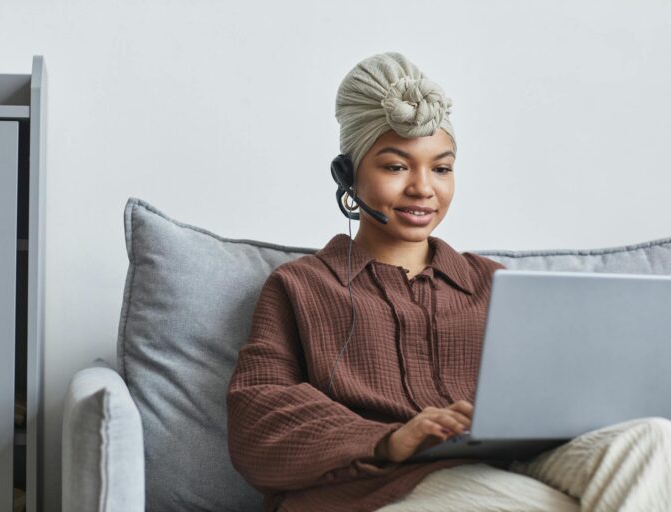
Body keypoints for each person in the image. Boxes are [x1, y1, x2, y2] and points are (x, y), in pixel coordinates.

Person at [226, 51, 671, 512]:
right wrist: (390, 439)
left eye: (441, 168)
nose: (423, 188)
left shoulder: (491, 283)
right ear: (348, 175)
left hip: (509, 466)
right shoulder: (301, 286)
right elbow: (257, 417)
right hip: (378, 490)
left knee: (654, 440)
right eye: (396, 167)